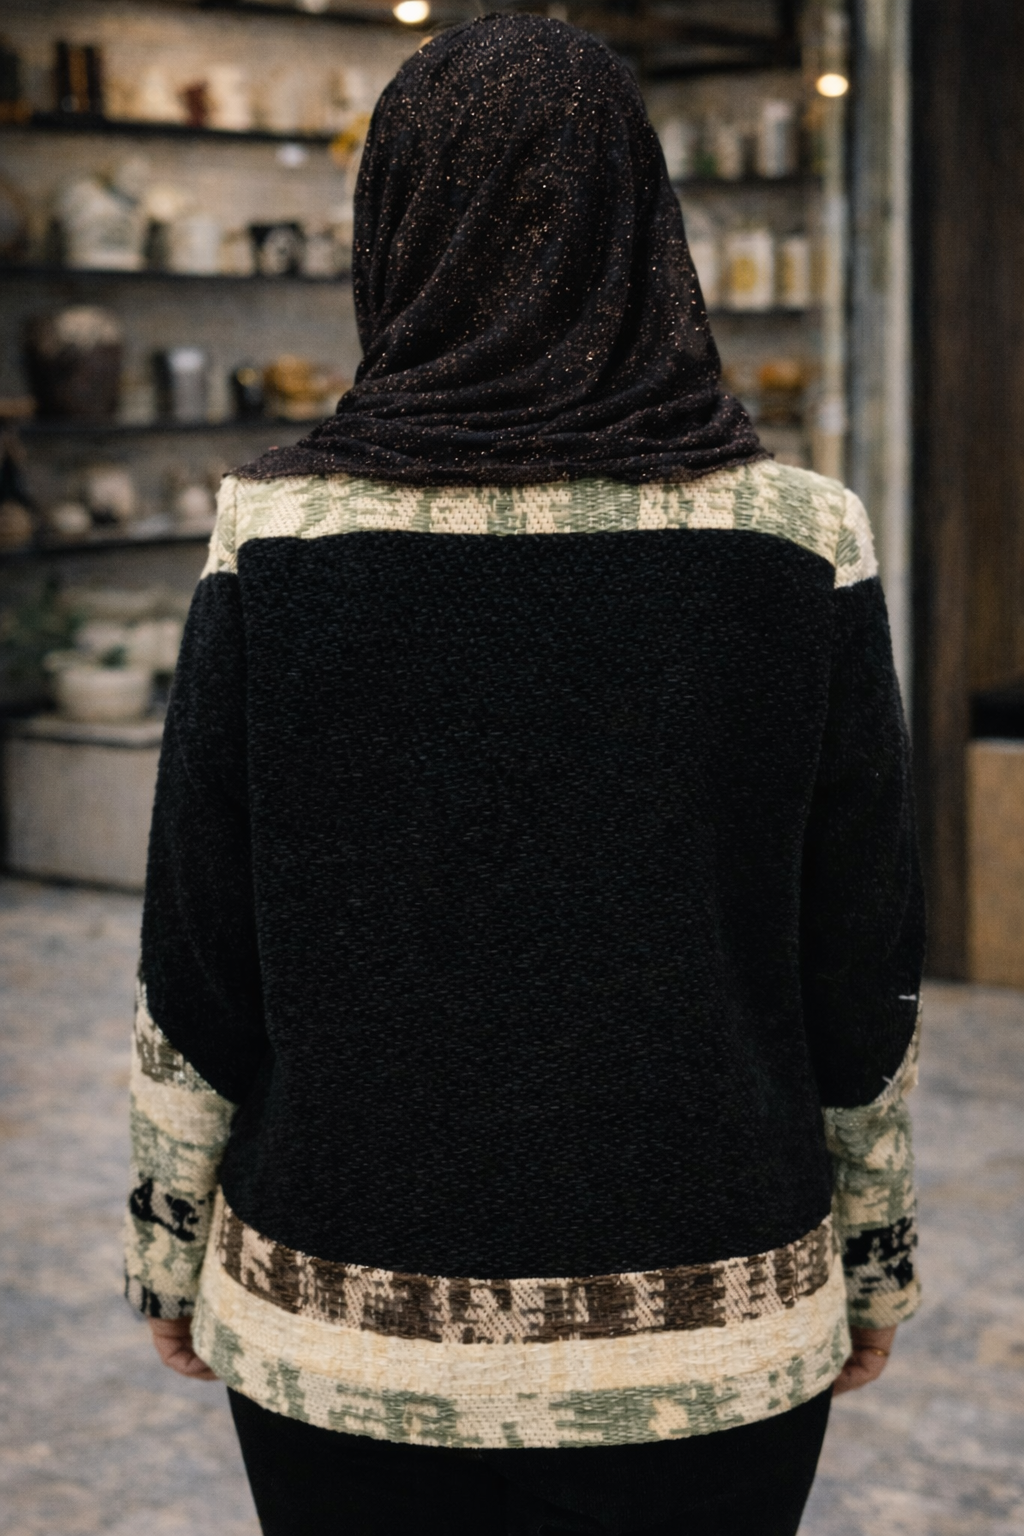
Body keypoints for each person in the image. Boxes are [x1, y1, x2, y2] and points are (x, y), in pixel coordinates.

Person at [125, 16, 924, 1535]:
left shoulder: (279, 538)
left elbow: (199, 953)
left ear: (394, 227)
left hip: (341, 1327)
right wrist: (874, 1253)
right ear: (647, 226)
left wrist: (168, 1244)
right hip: (721, 1323)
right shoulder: (799, 538)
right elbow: (860, 954)